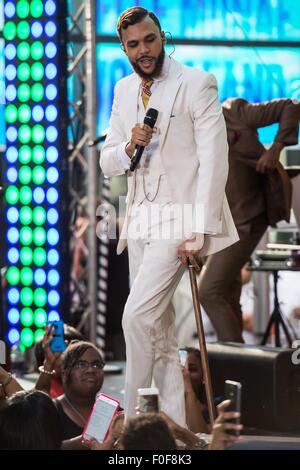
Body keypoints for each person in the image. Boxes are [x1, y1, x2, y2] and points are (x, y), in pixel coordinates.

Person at [100, 6, 238, 426]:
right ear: (124, 48)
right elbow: (108, 161)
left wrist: (199, 230)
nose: (144, 50)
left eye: (149, 40)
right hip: (139, 222)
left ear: (162, 36)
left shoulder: (196, 83)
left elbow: (216, 160)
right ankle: (175, 430)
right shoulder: (124, 90)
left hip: (179, 221)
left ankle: (129, 426)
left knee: (135, 317)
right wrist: (128, 146)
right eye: (134, 44)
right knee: (158, 333)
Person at [198, 98, 300, 342]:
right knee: (227, 294)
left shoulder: (234, 112)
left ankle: (235, 363)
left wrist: (276, 148)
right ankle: (237, 369)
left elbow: (291, 106)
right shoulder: (188, 131)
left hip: (246, 216)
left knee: (209, 291)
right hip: (217, 223)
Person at [54, 340, 105, 440]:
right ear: (64, 374)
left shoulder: (113, 412)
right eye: (81, 364)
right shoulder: (49, 411)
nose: (91, 370)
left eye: (97, 365)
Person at [35, 323, 84, 398]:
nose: (71, 360)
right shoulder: (42, 395)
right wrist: (48, 365)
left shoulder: (85, 391)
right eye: (58, 350)